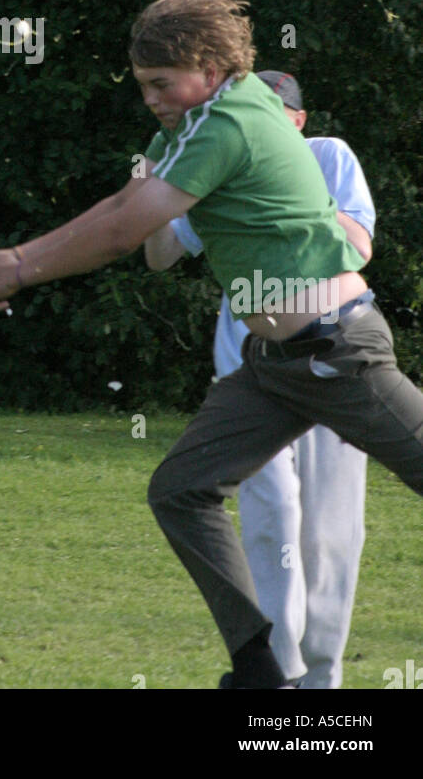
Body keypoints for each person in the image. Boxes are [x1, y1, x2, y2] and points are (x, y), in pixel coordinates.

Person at [0, 0, 423, 688]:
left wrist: (22, 266)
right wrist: (25, 255)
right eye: (142, 84)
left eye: (159, 83)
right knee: (180, 491)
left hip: (338, 353)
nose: (149, 97)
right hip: (274, 369)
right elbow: (125, 209)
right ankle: (260, 669)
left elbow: (119, 233)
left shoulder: (227, 122)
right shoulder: (196, 124)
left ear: (207, 66)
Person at [144, 70, 374, 688]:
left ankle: (322, 680)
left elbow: (359, 245)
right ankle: (278, 674)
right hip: (251, 362)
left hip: (332, 352)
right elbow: (161, 254)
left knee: (329, 528)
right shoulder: (219, 162)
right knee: (269, 513)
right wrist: (152, 188)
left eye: (269, 114)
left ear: (296, 122)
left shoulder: (328, 156)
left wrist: (285, 196)